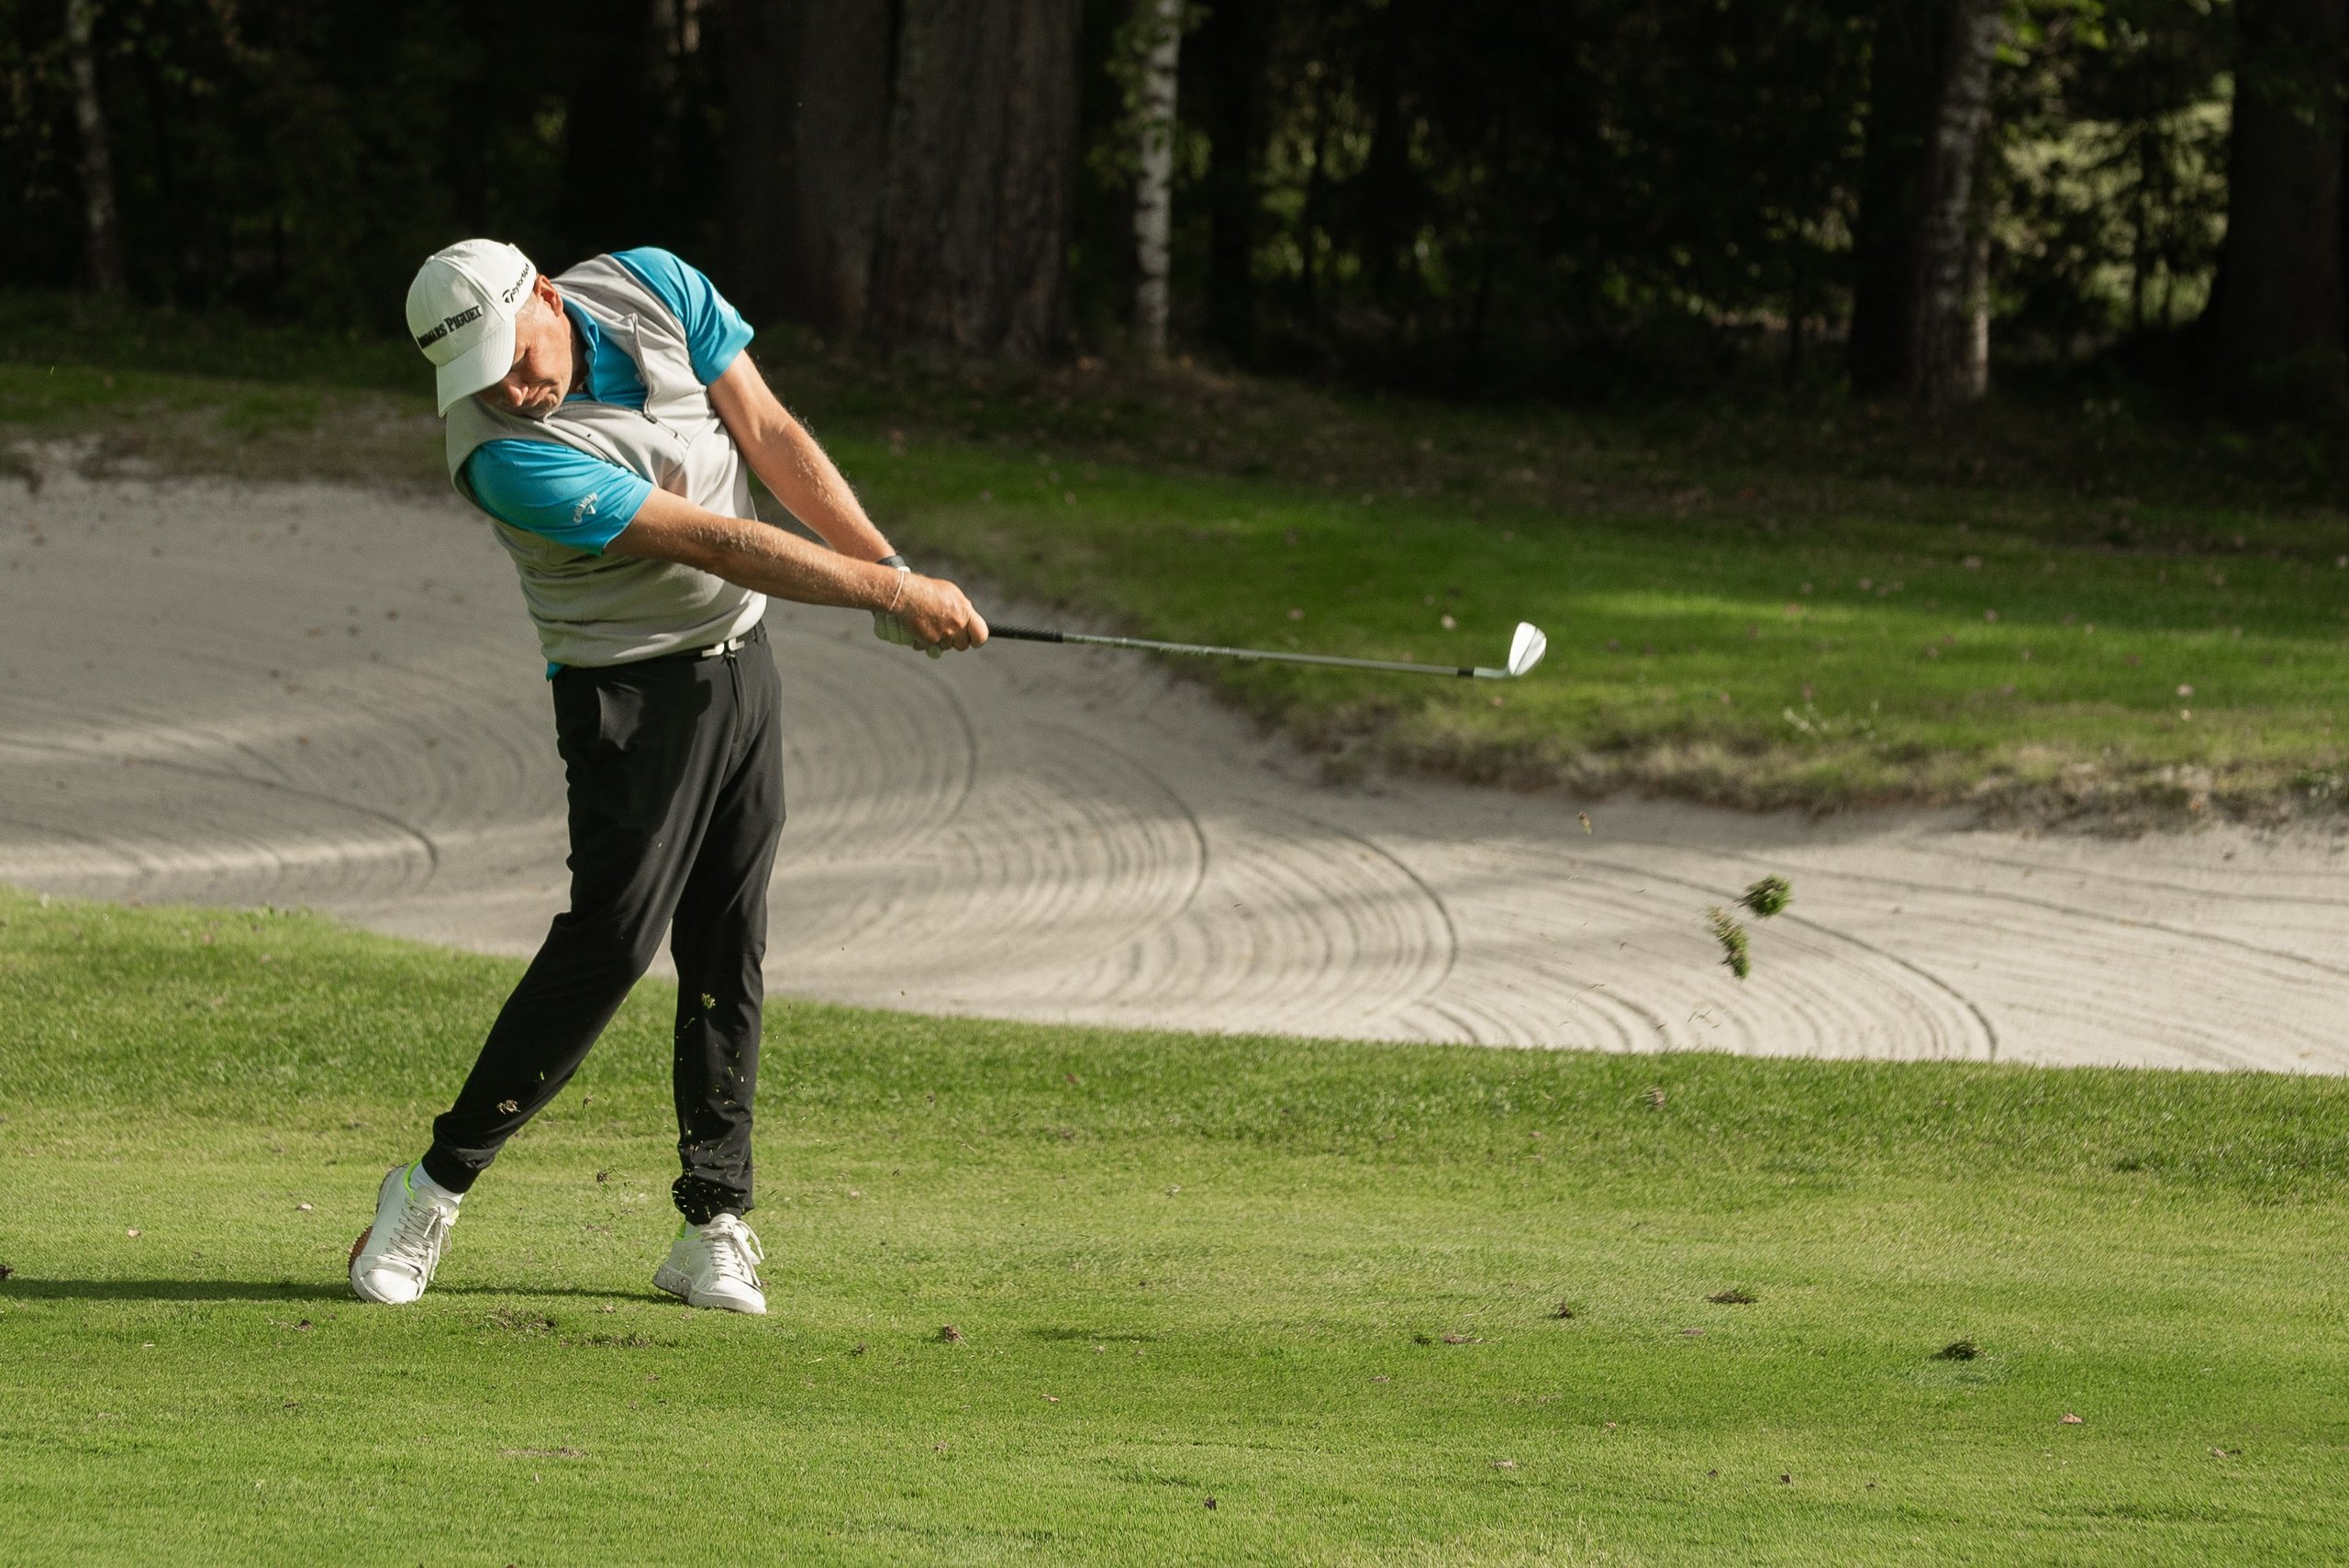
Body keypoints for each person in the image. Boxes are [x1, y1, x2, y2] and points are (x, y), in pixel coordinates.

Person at [347, 239, 985, 1315]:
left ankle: (712, 1222)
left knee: (729, 941)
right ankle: (431, 1185)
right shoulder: (501, 459)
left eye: (513, 358)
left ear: (545, 296)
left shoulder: (655, 284)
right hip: (626, 699)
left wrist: (889, 568)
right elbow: (715, 540)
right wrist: (887, 597)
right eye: (479, 380)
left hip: (743, 672)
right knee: (613, 940)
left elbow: (768, 433)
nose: (509, 390)